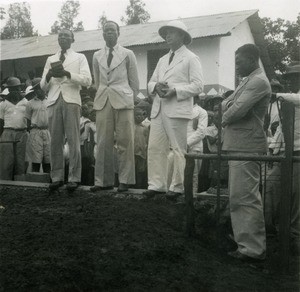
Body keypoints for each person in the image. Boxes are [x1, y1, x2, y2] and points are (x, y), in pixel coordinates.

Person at [143, 20, 203, 199]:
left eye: (172, 32)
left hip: (177, 108)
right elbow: (151, 82)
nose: (167, 36)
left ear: (182, 36)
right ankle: (156, 184)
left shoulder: (191, 58)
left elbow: (198, 85)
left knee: (178, 149)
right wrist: (156, 87)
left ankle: (177, 186)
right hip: (159, 108)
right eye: (166, 33)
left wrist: (175, 91)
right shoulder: (162, 59)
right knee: (155, 147)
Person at [221, 44, 271, 262]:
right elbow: (227, 104)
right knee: (238, 196)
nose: (236, 66)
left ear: (252, 59)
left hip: (246, 145)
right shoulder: (249, 80)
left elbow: (235, 111)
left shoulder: (258, 81)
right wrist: (227, 108)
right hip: (239, 143)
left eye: (239, 61)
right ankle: (246, 242)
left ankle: (253, 249)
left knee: (246, 197)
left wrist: (222, 115)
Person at [40, 28, 92, 191]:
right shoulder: (50, 59)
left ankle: (74, 178)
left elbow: (87, 81)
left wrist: (67, 73)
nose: (63, 38)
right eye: (60, 35)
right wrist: (49, 75)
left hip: (71, 100)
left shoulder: (80, 57)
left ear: (72, 39)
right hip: (54, 100)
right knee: (55, 140)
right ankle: (56, 177)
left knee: (73, 139)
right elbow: (42, 86)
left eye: (66, 36)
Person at [91, 20, 139, 193]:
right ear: (102, 34)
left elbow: (134, 82)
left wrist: (129, 99)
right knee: (103, 141)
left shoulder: (128, 54)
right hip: (104, 100)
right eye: (106, 31)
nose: (109, 33)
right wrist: (102, 94)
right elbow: (97, 81)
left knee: (125, 140)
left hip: (124, 100)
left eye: (112, 30)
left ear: (119, 33)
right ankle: (102, 181)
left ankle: (125, 180)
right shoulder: (96, 55)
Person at [274, 61, 300, 254]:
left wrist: (274, 95)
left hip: (299, 151)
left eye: (295, 78)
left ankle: (294, 233)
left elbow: (295, 98)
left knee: (296, 193)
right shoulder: (288, 99)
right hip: (286, 150)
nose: (291, 81)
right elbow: (281, 128)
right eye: (289, 78)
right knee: (282, 190)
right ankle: (284, 230)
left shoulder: (292, 97)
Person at [0, 77, 28, 180]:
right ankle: (6, 183)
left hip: (22, 133)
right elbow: (0, 121)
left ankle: (20, 184)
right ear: (9, 90)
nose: (15, 91)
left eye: (17, 88)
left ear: (20, 88)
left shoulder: (26, 102)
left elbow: (29, 120)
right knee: (7, 161)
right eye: (12, 89)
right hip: (8, 133)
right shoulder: (3, 104)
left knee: (21, 161)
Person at [25, 78, 51, 174]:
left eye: (40, 88)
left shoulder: (50, 100)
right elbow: (27, 120)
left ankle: (48, 181)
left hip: (48, 131)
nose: (38, 91)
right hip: (35, 131)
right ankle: (35, 183)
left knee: (48, 158)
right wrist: (31, 131)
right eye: (36, 89)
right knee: (36, 158)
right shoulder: (30, 103)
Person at [133, 106, 149, 189]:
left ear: (143, 116)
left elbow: (146, 140)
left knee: (141, 171)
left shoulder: (145, 128)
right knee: (133, 170)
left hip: (142, 153)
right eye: (136, 115)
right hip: (133, 153)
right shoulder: (131, 127)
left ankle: (139, 187)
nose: (139, 117)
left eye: (140, 115)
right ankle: (132, 186)